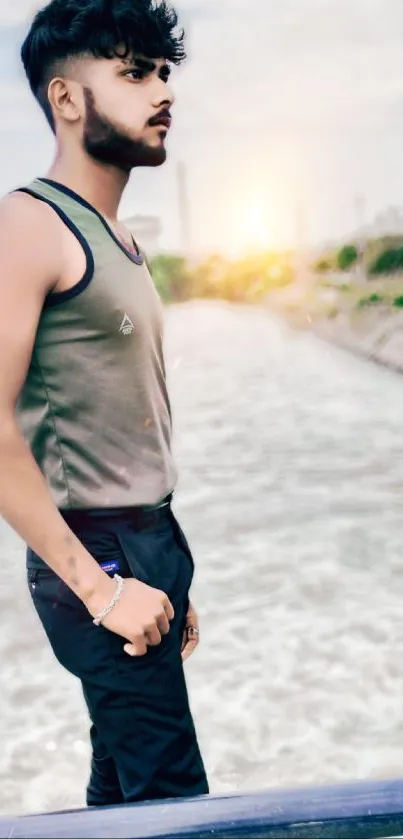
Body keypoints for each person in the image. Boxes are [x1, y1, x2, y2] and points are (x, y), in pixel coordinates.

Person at [0, 0, 209, 808]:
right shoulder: (30, 224)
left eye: (162, 71)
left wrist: (169, 572)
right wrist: (102, 588)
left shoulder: (121, 240)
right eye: (132, 72)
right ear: (66, 99)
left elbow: (130, 419)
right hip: (97, 550)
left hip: (147, 535)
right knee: (175, 802)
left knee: (124, 784)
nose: (162, 90)